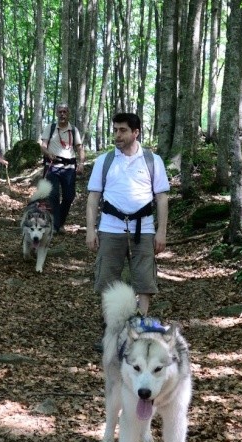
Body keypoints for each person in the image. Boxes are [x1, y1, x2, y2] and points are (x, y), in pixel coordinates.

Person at [85, 112, 170, 316]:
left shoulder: (152, 160)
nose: (117, 135)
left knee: (144, 281)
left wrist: (162, 232)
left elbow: (162, 198)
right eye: (115, 130)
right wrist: (90, 230)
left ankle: (140, 326)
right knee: (106, 279)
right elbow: (93, 198)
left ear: (136, 132)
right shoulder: (104, 161)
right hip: (110, 227)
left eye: (122, 130)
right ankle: (111, 328)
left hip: (144, 228)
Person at [40, 103, 85, 233]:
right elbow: (43, 145)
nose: (62, 114)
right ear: (56, 113)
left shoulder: (74, 130)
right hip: (52, 166)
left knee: (69, 197)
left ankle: (59, 222)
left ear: (68, 113)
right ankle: (56, 226)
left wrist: (81, 163)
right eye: (60, 112)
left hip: (69, 167)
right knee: (53, 195)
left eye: (65, 112)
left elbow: (79, 148)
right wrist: (48, 153)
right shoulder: (50, 127)